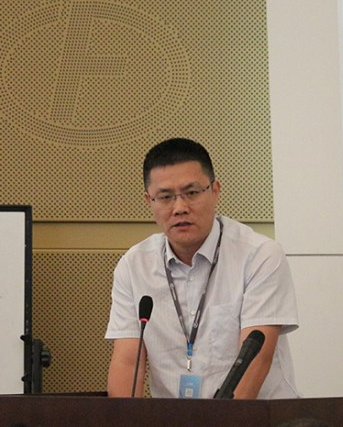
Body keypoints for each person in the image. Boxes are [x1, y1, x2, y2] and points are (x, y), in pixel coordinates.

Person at [105, 137, 299, 399]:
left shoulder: (259, 256)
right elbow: (128, 362)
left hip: (255, 414)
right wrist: (124, 418)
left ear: (215, 190)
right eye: (165, 197)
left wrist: (218, 419)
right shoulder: (134, 266)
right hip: (173, 417)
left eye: (192, 193)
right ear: (149, 201)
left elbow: (256, 360)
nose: (180, 208)